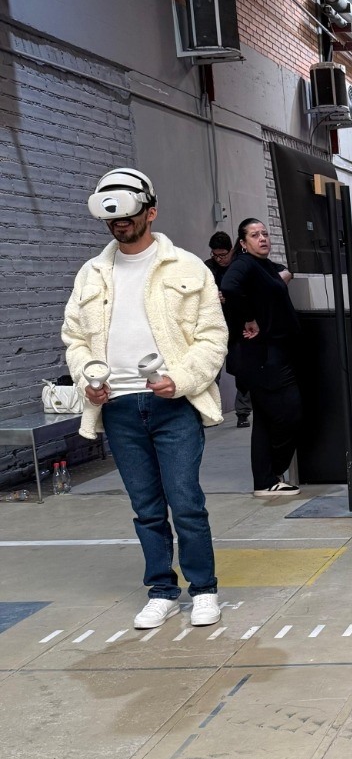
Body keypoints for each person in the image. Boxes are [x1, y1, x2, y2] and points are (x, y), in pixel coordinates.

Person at [62, 168, 228, 629]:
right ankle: (162, 591)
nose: (120, 224)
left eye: (128, 215)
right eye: (112, 218)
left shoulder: (187, 267)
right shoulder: (92, 273)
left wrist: (182, 379)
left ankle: (204, 590)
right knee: (146, 508)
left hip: (173, 406)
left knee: (186, 502)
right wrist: (86, 378)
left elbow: (213, 337)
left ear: (150, 213)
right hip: (117, 407)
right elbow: (75, 338)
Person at [221, 217, 303, 498]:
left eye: (265, 233)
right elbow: (229, 287)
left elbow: (282, 273)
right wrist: (248, 317)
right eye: (255, 235)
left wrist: (283, 276)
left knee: (266, 420)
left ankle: (266, 481)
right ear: (243, 243)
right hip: (262, 356)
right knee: (290, 414)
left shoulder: (263, 265)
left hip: (271, 353)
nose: (263, 238)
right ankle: (274, 470)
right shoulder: (244, 264)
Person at [204, 230, 252, 429]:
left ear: (231, 250)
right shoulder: (207, 268)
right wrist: (213, 297)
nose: (219, 259)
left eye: (223, 255)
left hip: (238, 324)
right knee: (212, 370)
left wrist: (231, 297)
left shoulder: (240, 266)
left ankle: (243, 412)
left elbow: (249, 292)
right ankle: (211, 412)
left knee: (242, 370)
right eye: (215, 255)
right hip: (214, 325)